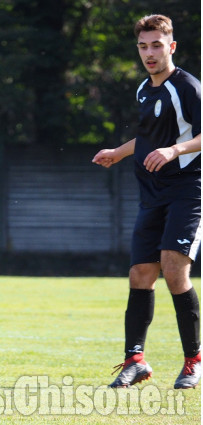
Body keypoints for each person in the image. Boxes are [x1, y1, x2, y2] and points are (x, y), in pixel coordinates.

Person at [93, 14, 201, 389]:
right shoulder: (144, 89)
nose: (149, 53)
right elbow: (147, 137)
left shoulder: (188, 87)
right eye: (143, 46)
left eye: (157, 45)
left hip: (188, 190)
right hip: (151, 194)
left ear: (171, 47)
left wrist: (175, 150)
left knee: (174, 270)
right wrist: (118, 153)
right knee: (140, 274)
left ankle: (193, 361)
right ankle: (135, 360)